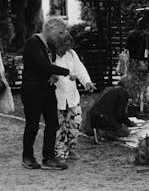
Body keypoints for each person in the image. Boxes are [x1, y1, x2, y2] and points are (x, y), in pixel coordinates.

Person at [21, 16, 71, 170]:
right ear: (51, 29)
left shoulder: (50, 45)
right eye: (60, 32)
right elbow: (43, 65)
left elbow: (50, 64)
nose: (61, 36)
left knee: (52, 123)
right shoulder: (33, 43)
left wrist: (54, 74)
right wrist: (65, 72)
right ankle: (27, 156)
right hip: (32, 89)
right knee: (32, 124)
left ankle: (48, 157)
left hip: (47, 89)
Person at [53, 32, 95, 160]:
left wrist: (86, 81)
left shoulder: (71, 54)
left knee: (75, 123)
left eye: (68, 46)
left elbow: (80, 69)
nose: (67, 48)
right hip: (57, 96)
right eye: (64, 46)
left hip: (72, 96)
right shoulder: (50, 57)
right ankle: (60, 151)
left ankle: (71, 148)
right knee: (59, 126)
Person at [86, 77, 133, 142]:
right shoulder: (123, 92)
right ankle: (101, 132)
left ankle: (97, 131)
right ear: (128, 85)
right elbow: (120, 114)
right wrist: (129, 123)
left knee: (119, 126)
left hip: (94, 117)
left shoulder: (108, 89)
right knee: (125, 131)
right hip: (103, 117)